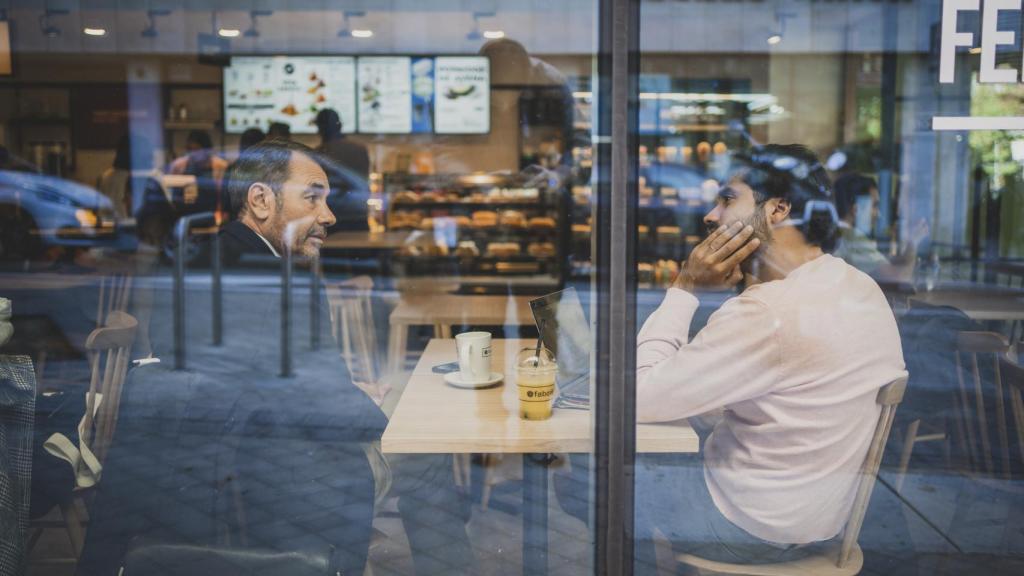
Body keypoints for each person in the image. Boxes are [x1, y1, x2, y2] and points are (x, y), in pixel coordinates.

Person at [634, 144, 907, 569]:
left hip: (746, 527)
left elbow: (640, 398)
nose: (711, 216)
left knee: (600, 466)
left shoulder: (767, 311)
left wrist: (684, 286)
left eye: (727, 200)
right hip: (822, 520)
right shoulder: (858, 287)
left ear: (778, 209)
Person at [832, 173, 928, 283]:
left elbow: (882, 264)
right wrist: (913, 242)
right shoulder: (852, 238)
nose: (878, 214)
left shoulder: (836, 233)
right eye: (874, 205)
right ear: (856, 209)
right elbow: (900, 278)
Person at [314, 109, 370, 231]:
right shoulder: (359, 149)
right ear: (340, 125)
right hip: (358, 215)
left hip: (332, 217)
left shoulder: (321, 153)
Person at [168, 130, 229, 214]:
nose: (194, 154)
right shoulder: (178, 166)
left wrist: (220, 214)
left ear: (207, 150)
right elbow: (171, 195)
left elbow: (222, 197)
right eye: (190, 149)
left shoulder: (220, 165)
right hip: (183, 213)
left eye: (197, 150)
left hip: (210, 214)